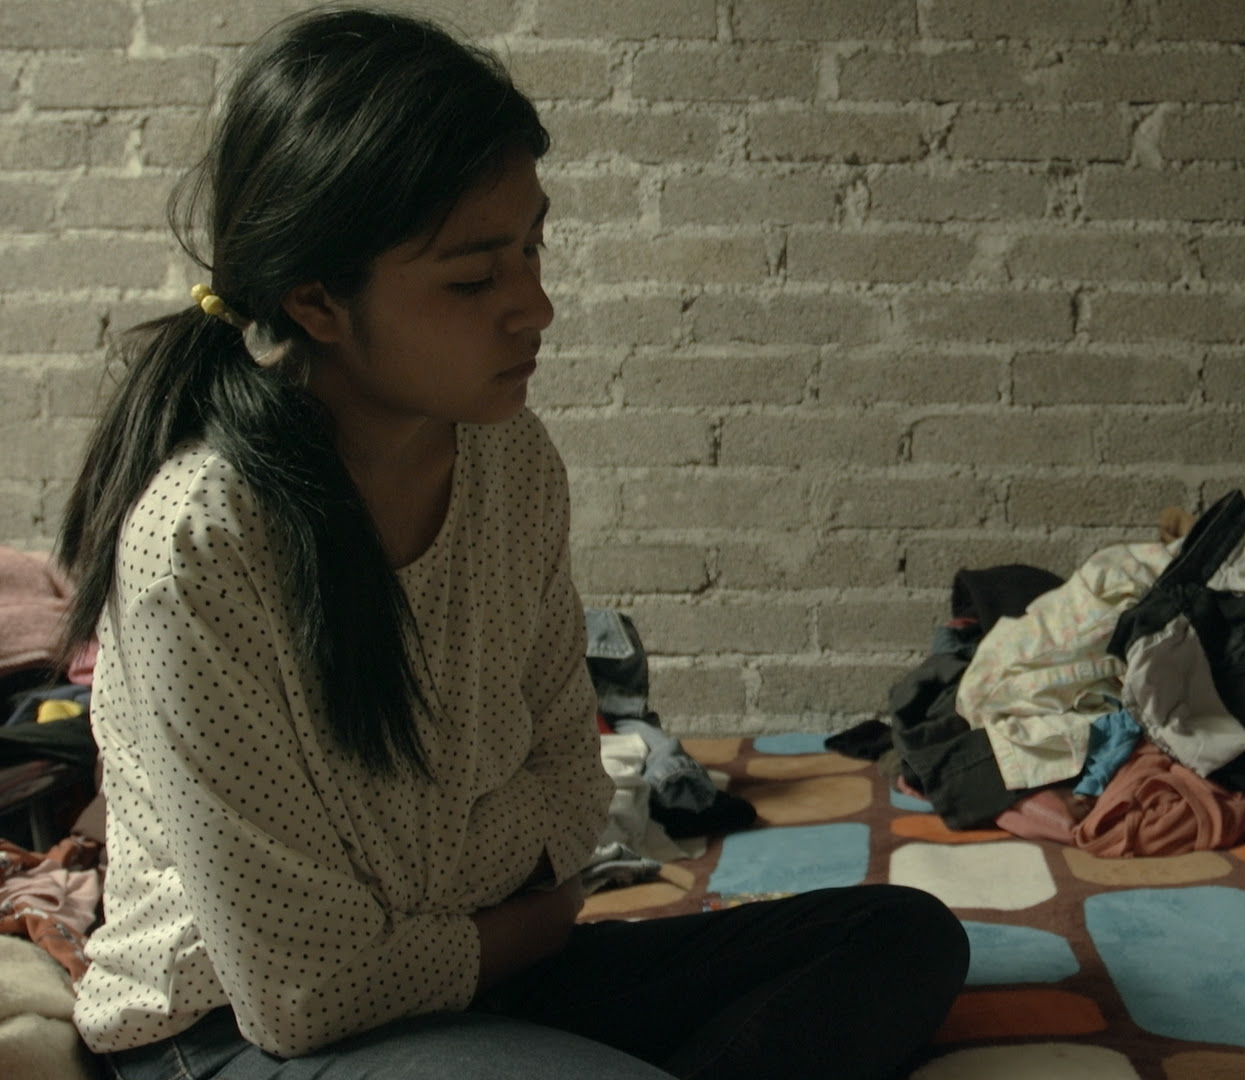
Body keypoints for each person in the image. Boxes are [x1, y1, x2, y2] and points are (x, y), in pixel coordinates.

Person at [56, 10, 967, 1080]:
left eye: (532, 248)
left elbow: (573, 797)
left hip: (470, 981)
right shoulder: (202, 542)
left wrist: (449, 906)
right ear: (318, 301)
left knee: (900, 939)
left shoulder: (509, 459)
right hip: (231, 1039)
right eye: (473, 278)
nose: (535, 306)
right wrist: (513, 912)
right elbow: (299, 994)